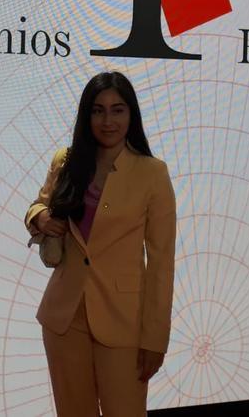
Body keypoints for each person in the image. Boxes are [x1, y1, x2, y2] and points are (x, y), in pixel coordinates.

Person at [24, 71, 177, 416]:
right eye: (98, 110)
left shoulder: (152, 173)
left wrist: (156, 339)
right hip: (63, 319)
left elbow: (161, 263)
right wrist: (40, 218)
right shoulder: (65, 161)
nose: (108, 121)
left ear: (131, 114)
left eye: (117, 110)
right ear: (87, 115)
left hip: (124, 322)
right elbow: (38, 205)